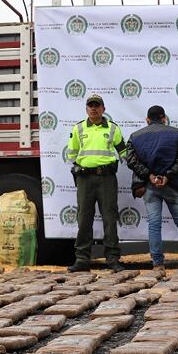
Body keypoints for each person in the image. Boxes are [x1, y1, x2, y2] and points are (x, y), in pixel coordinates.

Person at [125, 105, 178, 275]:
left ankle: (158, 264)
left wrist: (150, 176)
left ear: (147, 120)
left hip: (150, 186)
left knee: (154, 224)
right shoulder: (177, 133)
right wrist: (168, 176)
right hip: (172, 185)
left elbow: (131, 161)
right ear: (164, 118)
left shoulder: (135, 137)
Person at [66, 93, 127, 272]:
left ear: (103, 109)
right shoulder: (78, 129)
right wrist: (78, 168)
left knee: (110, 218)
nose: (94, 108)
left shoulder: (113, 129)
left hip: (107, 179)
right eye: (90, 105)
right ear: (86, 109)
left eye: (97, 105)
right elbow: (71, 154)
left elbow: (123, 152)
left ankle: (113, 259)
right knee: (84, 219)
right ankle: (82, 259)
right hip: (85, 179)